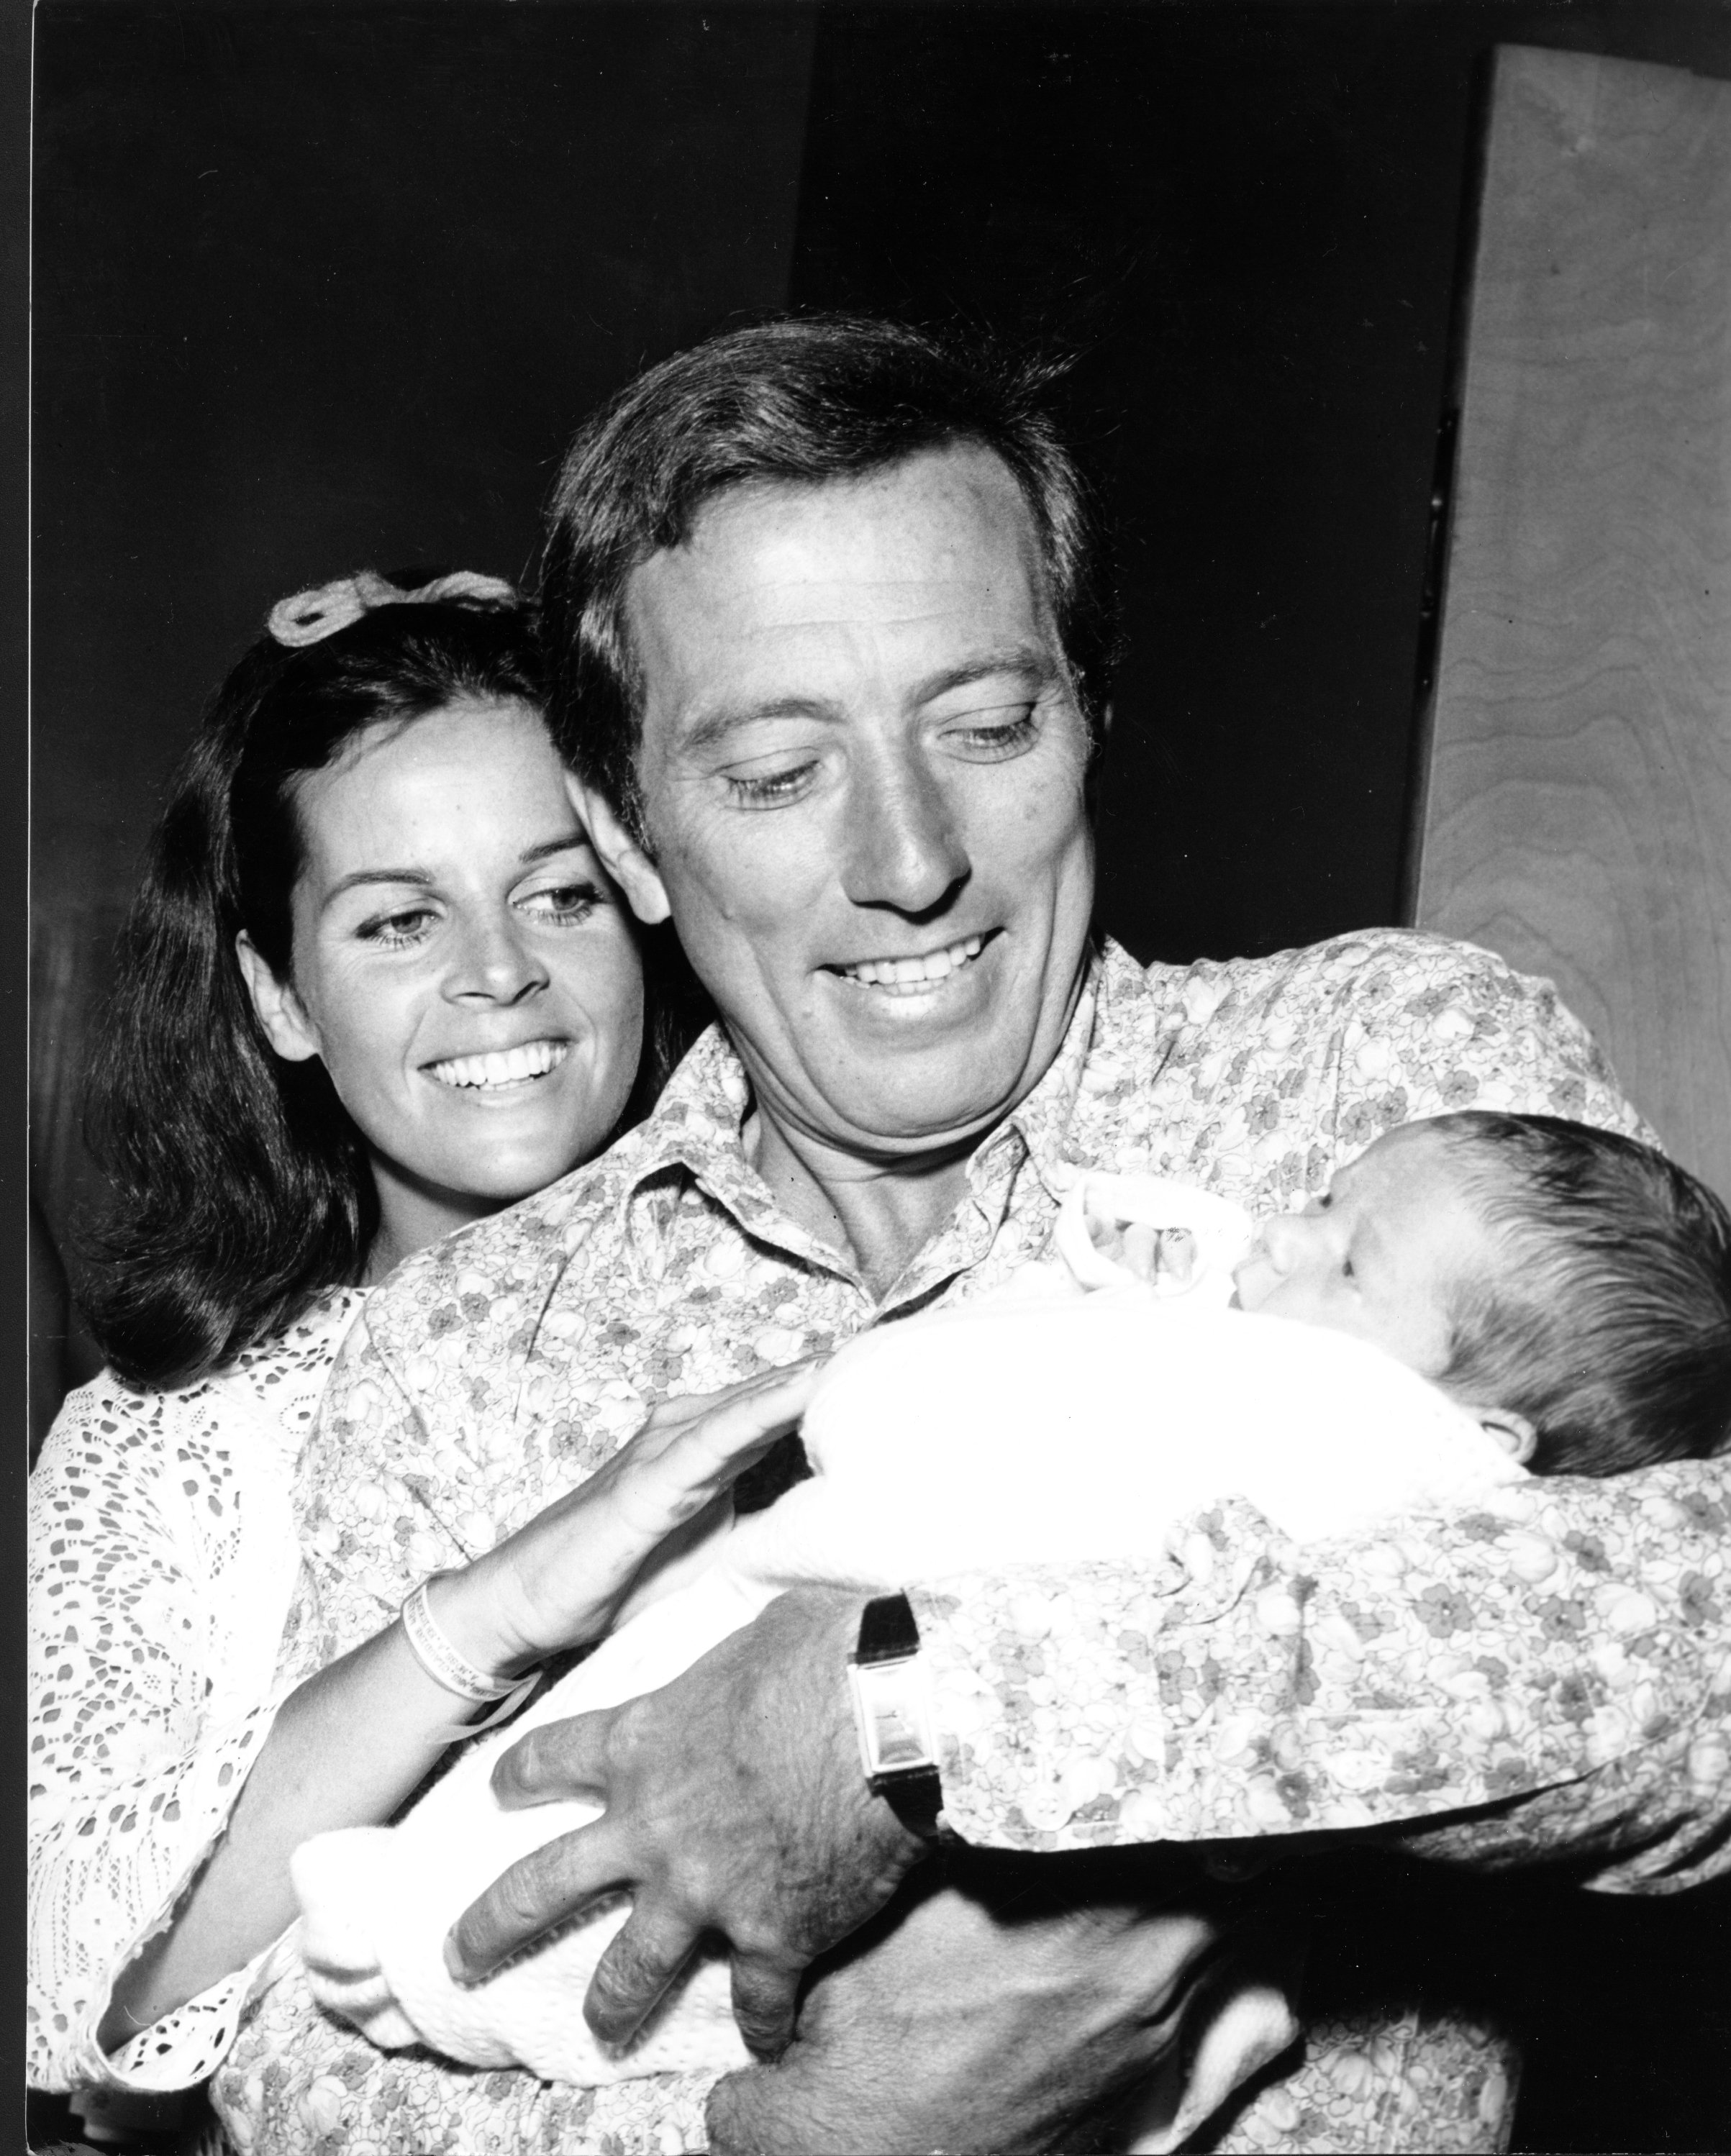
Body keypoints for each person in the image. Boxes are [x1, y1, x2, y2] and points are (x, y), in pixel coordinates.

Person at [220, 319, 1730, 2156]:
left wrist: (911, 1713)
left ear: (1089, 710)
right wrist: (803, 2138)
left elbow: (1699, 1621)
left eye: (990, 723)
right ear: (622, 829)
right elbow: (295, 2067)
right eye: (778, 772)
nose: (914, 853)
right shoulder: (469, 1350)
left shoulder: (1383, 1084)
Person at [284, 1109, 1731, 2111]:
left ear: (1492, 1435)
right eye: (1316, 1202)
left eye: (1345, 1258)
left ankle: (421, 1953)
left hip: (909, 1732)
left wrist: (900, 1705)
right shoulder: (453, 1323)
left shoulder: (1373, 1416)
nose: (1277, 1239)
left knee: (582, 1904)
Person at [26, 569, 815, 2132]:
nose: (498, 968)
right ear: (279, 995)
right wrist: (513, 1597)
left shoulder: (802, 1313)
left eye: (561, 890)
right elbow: (86, 2016)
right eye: (397, 917)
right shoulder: (170, 1451)